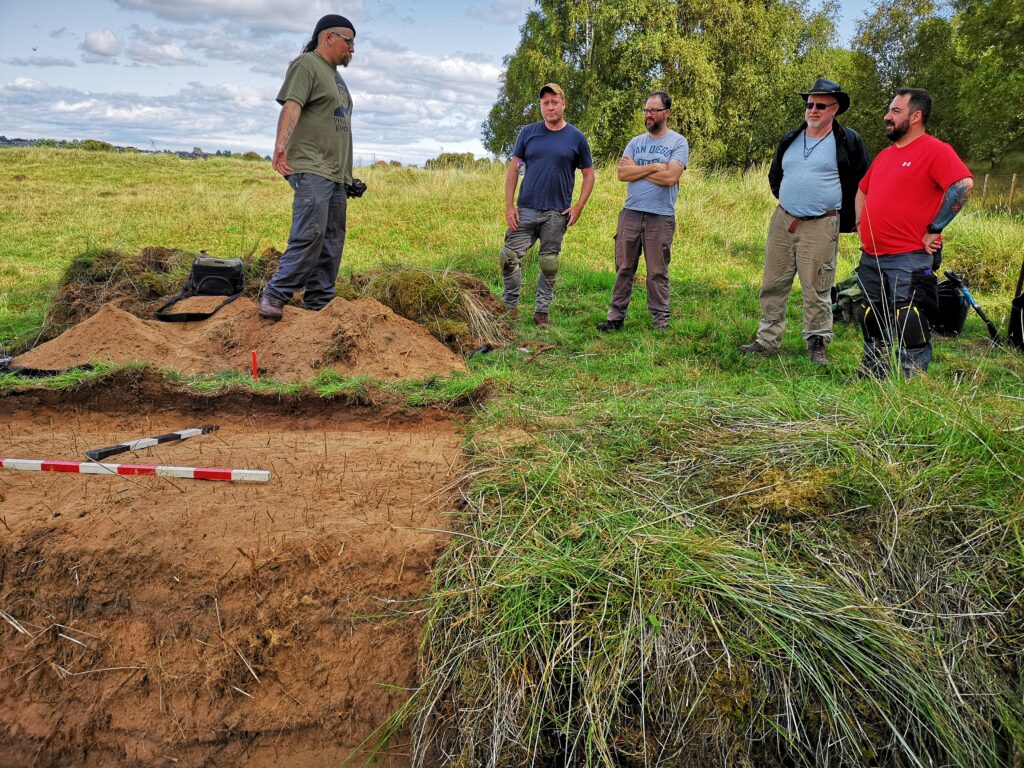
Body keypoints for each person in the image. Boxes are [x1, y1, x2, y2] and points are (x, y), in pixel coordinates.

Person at [740, 78, 870, 365]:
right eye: (809, 104)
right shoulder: (790, 138)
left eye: (820, 105)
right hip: (784, 220)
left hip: (821, 224)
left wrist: (855, 218)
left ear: (834, 109)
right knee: (773, 283)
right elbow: (776, 176)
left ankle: (817, 343)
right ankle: (767, 340)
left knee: (817, 287)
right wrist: (791, 201)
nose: (813, 109)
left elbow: (864, 182)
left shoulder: (847, 141)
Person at [855, 88, 973, 378]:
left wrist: (935, 228)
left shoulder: (935, 150)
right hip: (872, 255)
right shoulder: (885, 156)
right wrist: (861, 222)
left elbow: (962, 184)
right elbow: (863, 189)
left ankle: (911, 379)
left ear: (916, 116)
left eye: (895, 111)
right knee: (870, 315)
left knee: (909, 318)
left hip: (909, 256)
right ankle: (874, 371)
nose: (887, 116)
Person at [259, 14, 356, 320]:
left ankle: (319, 302)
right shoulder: (307, 65)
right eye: (348, 41)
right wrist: (280, 144)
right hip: (312, 167)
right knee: (310, 235)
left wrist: (348, 176)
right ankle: (276, 295)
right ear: (328, 37)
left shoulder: (335, 77)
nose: (352, 49)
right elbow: (292, 105)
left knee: (331, 241)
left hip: (336, 173)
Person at [500, 83, 595, 326]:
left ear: (563, 104)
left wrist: (578, 206)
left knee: (549, 263)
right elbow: (514, 169)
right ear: (541, 107)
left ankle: (542, 312)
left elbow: (589, 174)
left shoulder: (576, 137)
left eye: (554, 102)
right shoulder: (528, 133)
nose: (550, 107)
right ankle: (510, 307)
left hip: (556, 213)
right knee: (508, 257)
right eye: (545, 103)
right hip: (526, 209)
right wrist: (510, 206)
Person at [596, 91, 688, 332]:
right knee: (624, 267)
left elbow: (671, 177)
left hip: (660, 216)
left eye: (653, 110)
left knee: (657, 271)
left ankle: (660, 322)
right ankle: (615, 318)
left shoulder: (678, 142)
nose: (648, 115)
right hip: (631, 214)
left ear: (666, 113)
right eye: (646, 110)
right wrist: (655, 166)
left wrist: (639, 168)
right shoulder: (635, 142)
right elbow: (622, 174)